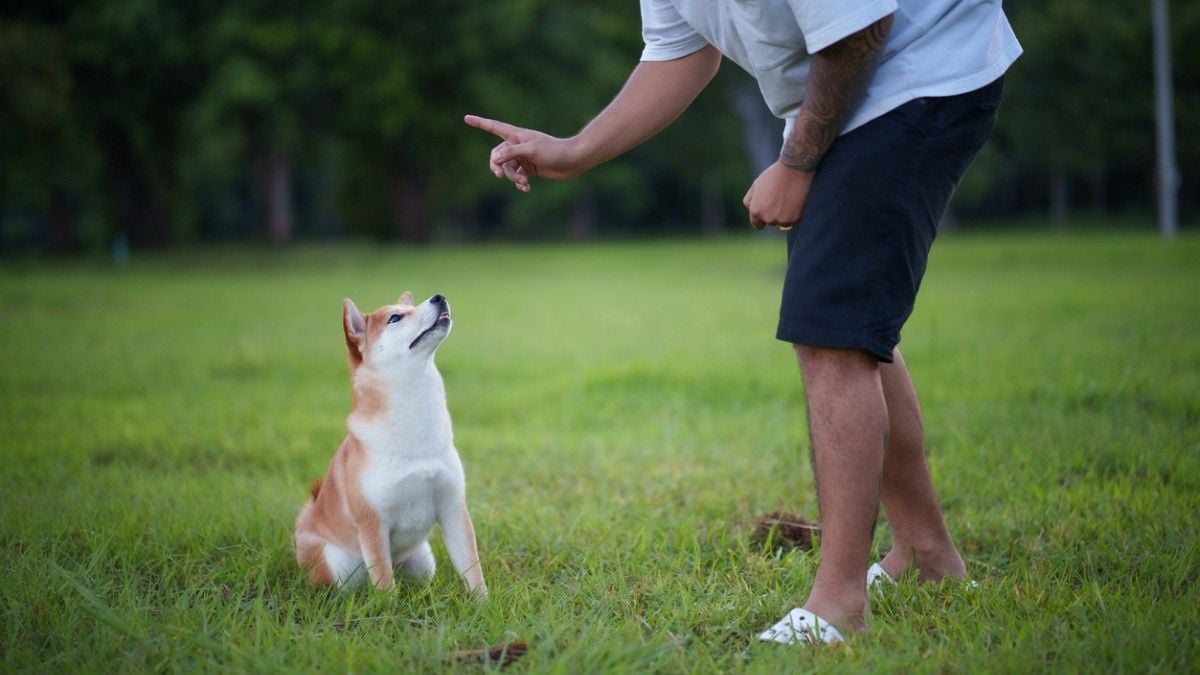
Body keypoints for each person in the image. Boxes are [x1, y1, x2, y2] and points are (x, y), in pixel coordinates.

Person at [465, 0, 1021, 644]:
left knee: (833, 334)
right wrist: (575, 150)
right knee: (846, 322)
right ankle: (928, 556)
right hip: (857, 91)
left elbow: (861, 33)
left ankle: (839, 603)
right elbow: (681, 51)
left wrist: (796, 164)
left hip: (917, 75)